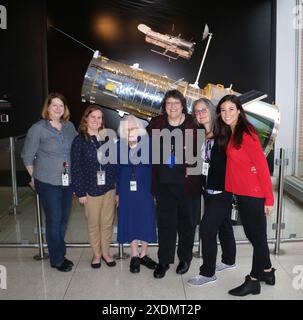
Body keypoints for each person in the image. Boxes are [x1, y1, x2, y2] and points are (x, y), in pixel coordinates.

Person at [216, 94, 276, 296]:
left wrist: (269, 198)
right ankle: (267, 271)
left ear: (239, 111)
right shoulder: (232, 132)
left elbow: (261, 166)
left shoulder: (248, 134)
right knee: (256, 235)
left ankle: (253, 279)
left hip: (254, 194)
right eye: (223, 110)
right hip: (243, 193)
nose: (227, 113)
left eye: (231, 109)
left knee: (256, 237)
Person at [146, 89, 201, 279]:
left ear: (182, 105)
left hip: (188, 184)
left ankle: (185, 258)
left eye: (176, 103)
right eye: (169, 103)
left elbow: (209, 138)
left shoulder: (194, 123)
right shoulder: (156, 123)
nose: (172, 107)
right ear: (165, 106)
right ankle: (164, 261)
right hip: (164, 185)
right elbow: (142, 142)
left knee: (187, 224)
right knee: (166, 225)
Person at [21, 92, 77, 272]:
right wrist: (34, 177)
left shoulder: (69, 127)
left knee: (63, 221)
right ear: (48, 108)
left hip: (67, 181)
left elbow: (77, 147)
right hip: (47, 182)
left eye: (61, 106)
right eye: (55, 105)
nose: (58, 109)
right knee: (54, 220)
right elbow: (27, 156)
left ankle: (60, 253)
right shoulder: (38, 128)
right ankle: (57, 259)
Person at [187, 98, 236, 287]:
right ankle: (229, 260)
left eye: (203, 110)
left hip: (223, 190)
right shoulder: (201, 133)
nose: (200, 114)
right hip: (207, 189)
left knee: (207, 229)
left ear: (211, 110)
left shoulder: (224, 131)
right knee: (223, 224)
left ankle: (208, 273)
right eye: (197, 111)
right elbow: (200, 161)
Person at [71, 105, 116, 269]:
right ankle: (96, 254)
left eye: (99, 118)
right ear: (86, 119)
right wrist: (80, 192)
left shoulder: (107, 137)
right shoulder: (79, 140)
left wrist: (116, 188)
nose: (96, 120)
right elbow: (76, 168)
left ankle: (106, 252)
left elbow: (113, 164)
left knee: (107, 223)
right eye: (93, 117)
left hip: (109, 187)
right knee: (93, 224)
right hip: (91, 189)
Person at [116, 115, 157, 273]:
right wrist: (118, 193)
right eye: (127, 128)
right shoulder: (119, 146)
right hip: (126, 188)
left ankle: (144, 254)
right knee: (130, 218)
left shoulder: (149, 144)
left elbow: (157, 167)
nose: (130, 131)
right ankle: (134, 255)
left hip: (146, 188)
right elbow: (117, 171)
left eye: (133, 128)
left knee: (145, 218)